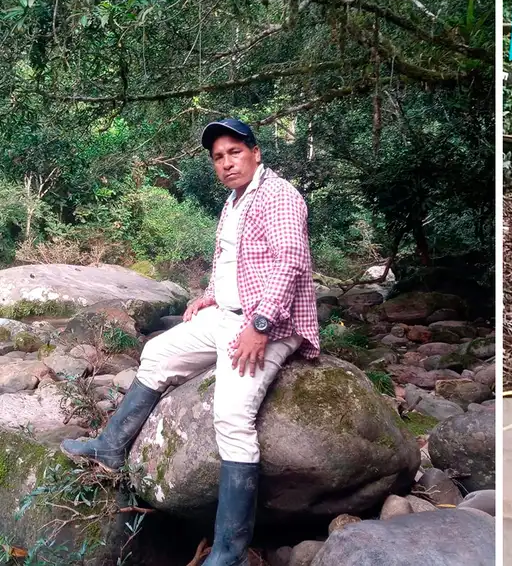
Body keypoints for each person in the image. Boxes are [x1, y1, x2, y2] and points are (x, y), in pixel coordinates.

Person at [61, 118, 321, 565]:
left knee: (232, 416)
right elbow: (232, 261)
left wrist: (259, 326)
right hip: (226, 315)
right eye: (218, 157)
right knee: (157, 353)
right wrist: (209, 295)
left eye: (234, 152)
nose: (226, 163)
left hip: (270, 323)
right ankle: (110, 447)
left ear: (255, 152)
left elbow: (290, 262)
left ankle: (229, 552)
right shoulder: (234, 201)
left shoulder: (278, 195)